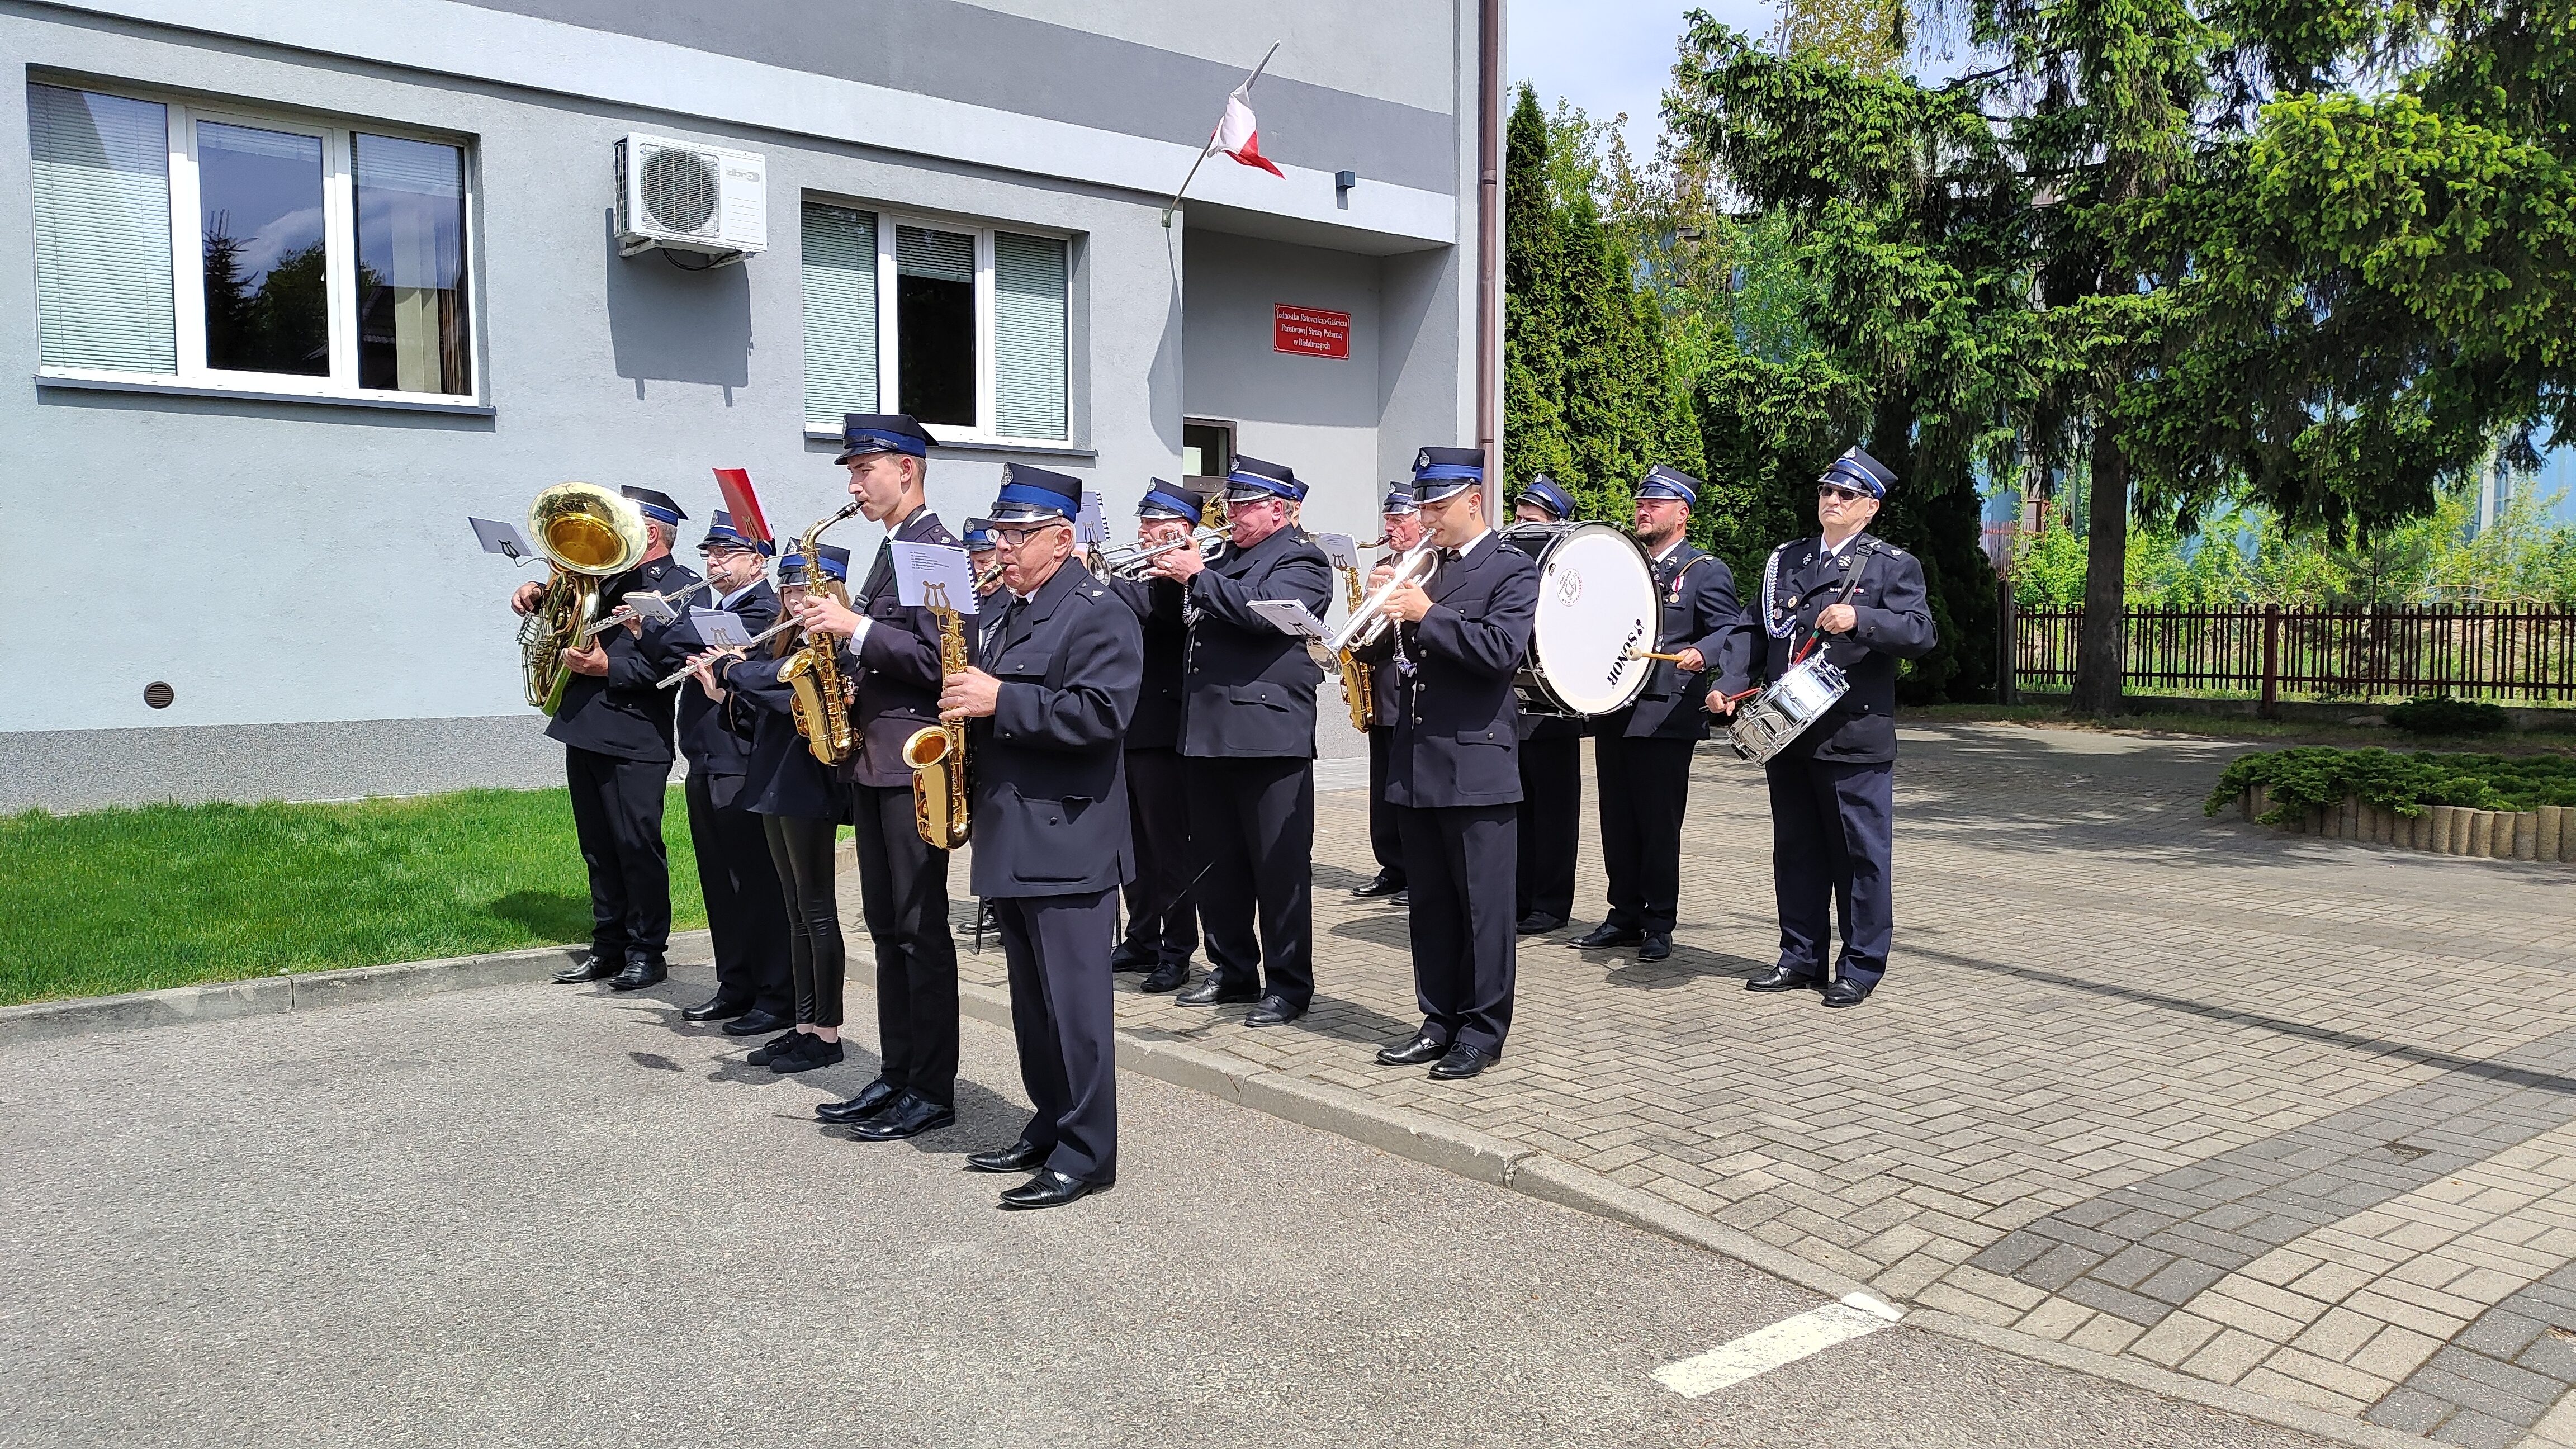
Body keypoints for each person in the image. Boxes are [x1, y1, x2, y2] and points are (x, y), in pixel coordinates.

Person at [939, 464, 1143, 1210]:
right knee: (1034, 1005)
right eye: (1000, 532)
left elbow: (1099, 716)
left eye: (1019, 534)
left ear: (1062, 539)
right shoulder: (1005, 610)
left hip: (1069, 838)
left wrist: (1001, 699)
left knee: (1079, 1011)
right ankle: (1052, 1122)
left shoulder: (1099, 610)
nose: (1003, 546)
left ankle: (1089, 1155)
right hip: (1013, 831)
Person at [1708, 447, 1936, 1008]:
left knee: (1859, 857)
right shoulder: (1787, 561)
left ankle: (1859, 967)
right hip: (1788, 732)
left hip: (1853, 733)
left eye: (1846, 495)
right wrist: (1728, 681)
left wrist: (1863, 617)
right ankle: (1800, 956)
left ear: (1870, 508)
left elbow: (1921, 633)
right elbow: (1751, 631)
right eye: (1826, 492)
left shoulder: (1891, 565)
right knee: (1798, 850)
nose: (1832, 501)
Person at [790, 413, 964, 1140]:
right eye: (853, 473)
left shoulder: (936, 549)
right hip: (875, 762)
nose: (856, 485)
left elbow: (943, 661)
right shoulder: (895, 550)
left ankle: (931, 1088)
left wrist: (853, 629)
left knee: (922, 932)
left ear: (907, 469)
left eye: (865, 470)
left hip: (915, 766)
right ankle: (898, 1075)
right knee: (889, 929)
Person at [1360, 448, 1538, 1081]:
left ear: (1473, 500)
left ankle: (1483, 1030)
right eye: (1423, 505)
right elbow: (1392, 655)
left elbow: (1498, 651)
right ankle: (1437, 1021)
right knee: (1431, 904)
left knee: (1483, 909)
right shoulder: (1425, 567)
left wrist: (1426, 613)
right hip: (1416, 759)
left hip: (1476, 763)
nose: (1426, 516)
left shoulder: (1511, 569)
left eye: (1437, 504)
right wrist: (1382, 611)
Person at [1152, 454, 1334, 1028]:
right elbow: (1180, 623)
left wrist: (1198, 578)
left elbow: (1264, 616)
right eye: (1229, 503)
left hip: (1267, 735)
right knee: (1217, 865)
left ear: (1278, 509)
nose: (1232, 513)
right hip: (1206, 732)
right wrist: (1170, 577)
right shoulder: (1221, 557)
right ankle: (1232, 969)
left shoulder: (1302, 557)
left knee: (1278, 869)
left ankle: (1288, 984)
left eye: (1246, 504)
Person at [510, 486, 699, 992]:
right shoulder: (603, 574)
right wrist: (534, 593)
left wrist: (607, 665)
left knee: (636, 845)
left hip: (635, 734)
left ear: (650, 532)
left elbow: (674, 663)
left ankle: (647, 951)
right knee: (597, 848)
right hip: (585, 726)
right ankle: (608, 946)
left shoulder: (682, 587)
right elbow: (566, 611)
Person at [1569, 466, 1744, 963]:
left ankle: (1659, 923)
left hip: (1667, 715)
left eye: (1656, 505)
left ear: (1682, 514)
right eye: (1642, 504)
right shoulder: (1625, 565)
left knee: (1658, 824)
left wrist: (1703, 654)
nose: (1644, 512)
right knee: (1617, 821)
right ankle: (1622, 914)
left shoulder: (1706, 571)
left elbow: (1731, 629)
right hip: (1617, 708)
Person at [692, 543, 852, 1072]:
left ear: (830, 591)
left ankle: (826, 1034)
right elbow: (762, 712)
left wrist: (740, 675)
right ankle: (803, 1024)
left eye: (805, 588)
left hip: (809, 786)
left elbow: (786, 692)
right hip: (773, 780)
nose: (794, 597)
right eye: (787, 589)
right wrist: (722, 691)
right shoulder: (782, 643)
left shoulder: (833, 647)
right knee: (795, 911)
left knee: (818, 910)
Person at [670, 512, 794, 1034]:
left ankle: (775, 993)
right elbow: (666, 645)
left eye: (726, 555)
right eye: (709, 555)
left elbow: (761, 688)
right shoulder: (706, 607)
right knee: (720, 880)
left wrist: (730, 670)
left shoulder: (768, 612)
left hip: (742, 760)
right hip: (705, 757)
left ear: (757, 562)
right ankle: (735, 983)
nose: (714, 563)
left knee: (756, 883)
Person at [1104, 483, 1204, 995]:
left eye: (1154, 525)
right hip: (1124, 724)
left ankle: (1177, 948)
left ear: (1181, 528)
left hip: (1163, 728)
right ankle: (1141, 935)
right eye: (1143, 524)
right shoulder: (1132, 573)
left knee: (1168, 849)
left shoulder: (1181, 577)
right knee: (1134, 846)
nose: (1141, 533)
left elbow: (1161, 615)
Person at [1507, 475, 1582, 935]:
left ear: (1555, 525)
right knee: (1517, 811)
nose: (1519, 528)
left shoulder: (1570, 570)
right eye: (1517, 518)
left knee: (1553, 814)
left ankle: (1551, 905)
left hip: (1553, 708)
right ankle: (1517, 899)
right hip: (1512, 704)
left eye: (1531, 522)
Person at [1350, 486, 1426, 906]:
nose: (1390, 528)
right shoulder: (1383, 566)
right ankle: (1391, 866)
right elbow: (1366, 642)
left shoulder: (1432, 567)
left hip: (1416, 693)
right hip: (1384, 691)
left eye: (1398, 520)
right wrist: (1370, 609)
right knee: (1382, 787)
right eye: (1388, 521)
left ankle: (1418, 870)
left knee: (1411, 787)